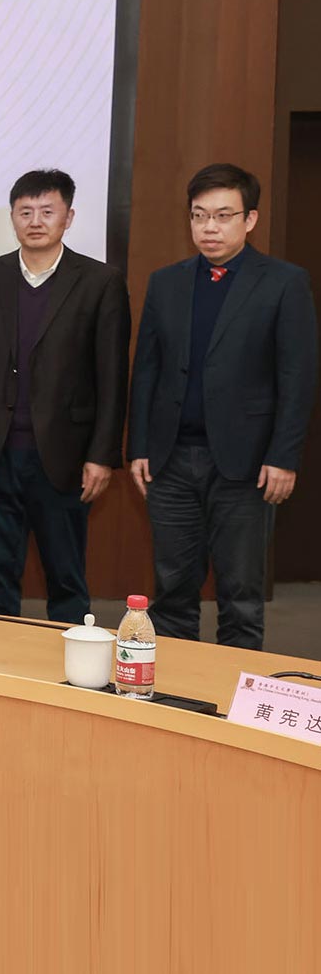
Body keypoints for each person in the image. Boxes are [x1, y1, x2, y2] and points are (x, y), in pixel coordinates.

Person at [129, 164, 318, 648]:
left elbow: (296, 378)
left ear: (250, 219)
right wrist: (140, 446)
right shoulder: (166, 282)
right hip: (171, 461)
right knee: (172, 592)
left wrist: (283, 457)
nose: (209, 227)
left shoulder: (283, 282)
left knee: (241, 597)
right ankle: (177, 684)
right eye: (199, 215)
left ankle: (234, 690)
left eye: (223, 215)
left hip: (247, 464)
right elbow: (147, 371)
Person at [0, 170, 129, 622]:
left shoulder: (99, 281)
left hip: (65, 455)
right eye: (25, 212)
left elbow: (112, 378)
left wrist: (102, 456)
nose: (35, 221)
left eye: (47, 211)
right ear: (12, 217)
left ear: (68, 217)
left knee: (65, 575)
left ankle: (67, 659)